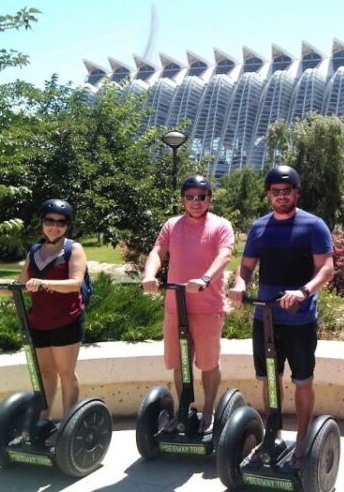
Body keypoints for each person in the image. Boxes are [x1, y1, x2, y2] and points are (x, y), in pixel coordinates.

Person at [228, 165, 333, 467]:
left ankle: (301, 440)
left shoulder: (313, 226)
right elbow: (246, 265)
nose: (282, 196)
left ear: (296, 193)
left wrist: (304, 291)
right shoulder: (260, 227)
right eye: (276, 192)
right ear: (268, 195)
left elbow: (326, 267)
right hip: (266, 317)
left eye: (287, 191)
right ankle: (272, 433)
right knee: (268, 378)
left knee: (302, 380)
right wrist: (239, 283)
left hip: (299, 320)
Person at [0, 199, 87, 438]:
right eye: (50, 221)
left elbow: (75, 284)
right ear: (43, 223)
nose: (54, 226)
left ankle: (70, 425)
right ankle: (42, 420)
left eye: (60, 222)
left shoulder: (73, 249)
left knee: (66, 372)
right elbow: (22, 285)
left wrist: (44, 282)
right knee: (46, 372)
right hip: (38, 321)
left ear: (67, 226)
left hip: (66, 319)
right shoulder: (35, 251)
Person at [141, 175, 234, 434]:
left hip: (207, 306)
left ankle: (208, 412)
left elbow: (225, 255)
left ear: (209, 199)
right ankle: (183, 409)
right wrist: (150, 275)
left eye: (201, 196)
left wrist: (205, 278)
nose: (196, 201)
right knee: (180, 361)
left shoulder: (221, 225)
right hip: (175, 305)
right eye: (190, 196)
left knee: (208, 363)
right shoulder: (172, 225)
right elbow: (158, 251)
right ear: (183, 199)